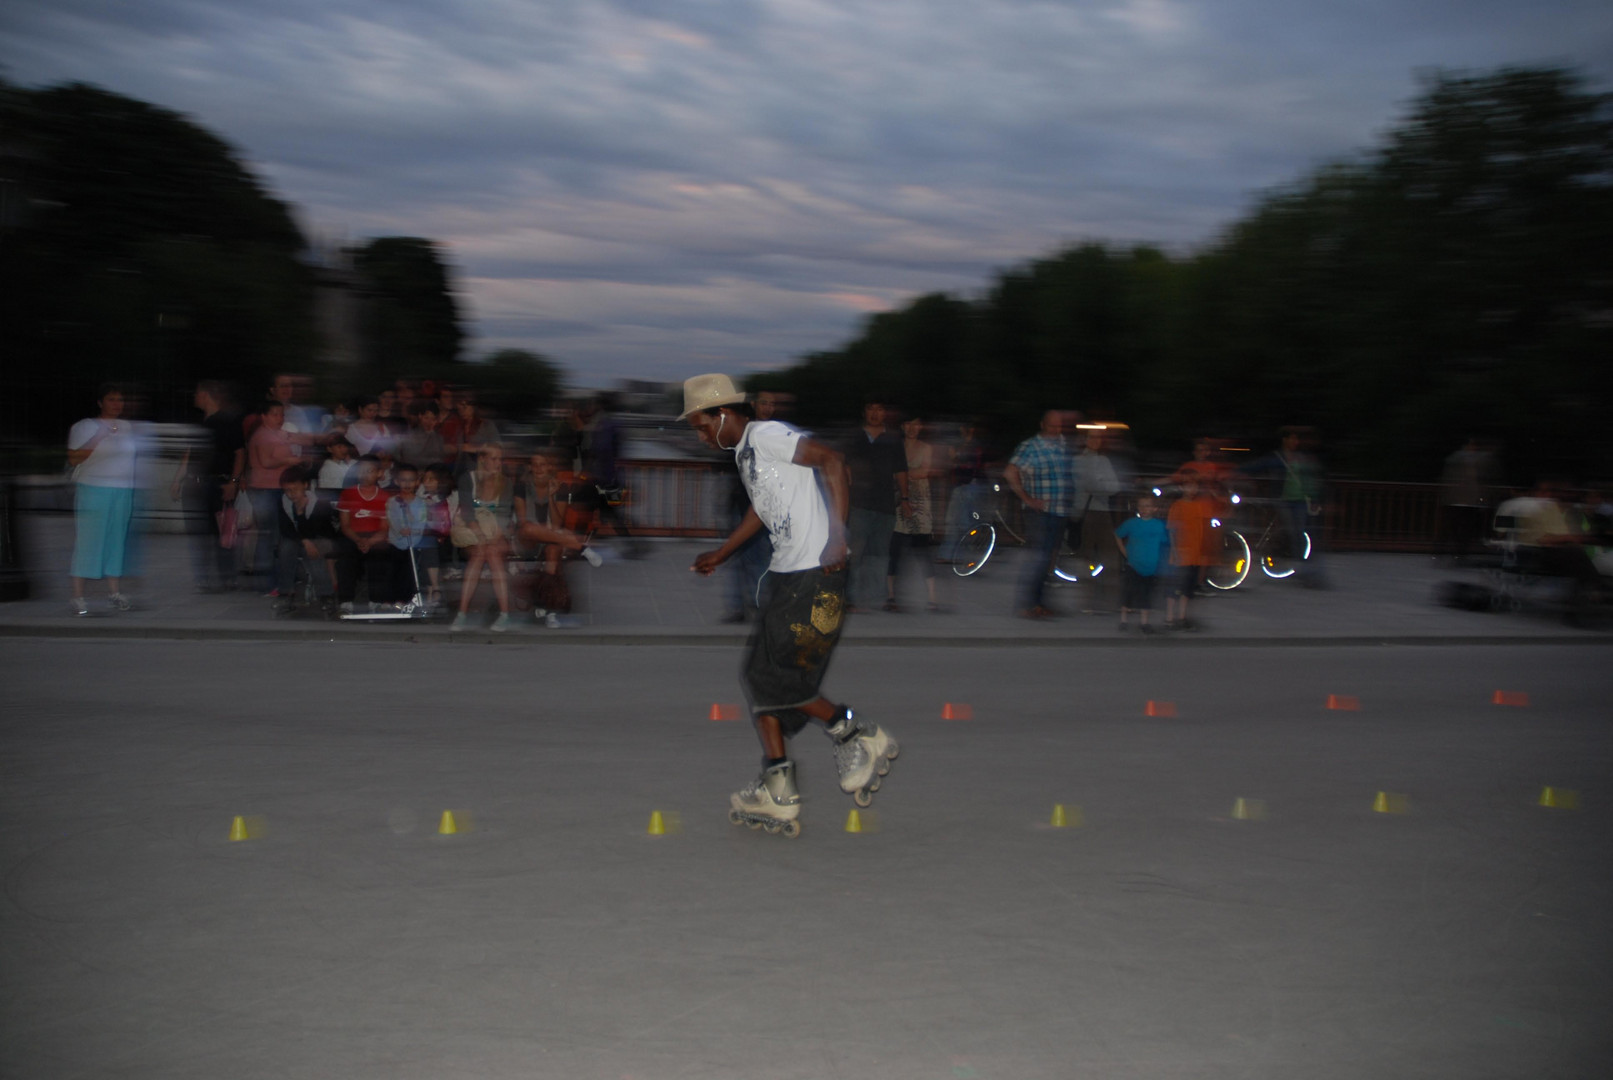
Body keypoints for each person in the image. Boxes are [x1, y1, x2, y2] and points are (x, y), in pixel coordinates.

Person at [682, 373, 899, 837]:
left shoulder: (768, 434)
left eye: (702, 426)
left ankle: (855, 732)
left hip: (815, 574)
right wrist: (721, 554)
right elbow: (762, 509)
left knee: (781, 680)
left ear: (723, 413)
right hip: (788, 576)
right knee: (760, 677)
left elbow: (833, 461)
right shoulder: (744, 452)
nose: (700, 436)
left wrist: (837, 536)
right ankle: (778, 785)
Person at [65, 383, 143, 615]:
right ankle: (78, 596)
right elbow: (73, 459)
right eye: (111, 400)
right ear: (100, 402)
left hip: (122, 489)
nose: (117, 404)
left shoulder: (127, 426)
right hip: (94, 488)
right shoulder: (84, 426)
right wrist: (99, 436)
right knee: (89, 540)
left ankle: (114, 592)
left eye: (120, 400)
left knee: (116, 540)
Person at [170, 380, 245, 593]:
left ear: (206, 395)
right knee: (201, 533)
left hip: (219, 483)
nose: (195, 397)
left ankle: (227, 578)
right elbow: (190, 453)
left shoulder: (227, 422)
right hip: (197, 483)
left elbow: (240, 453)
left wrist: (233, 482)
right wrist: (178, 479)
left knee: (224, 532)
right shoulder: (200, 422)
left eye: (197, 393)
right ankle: (204, 578)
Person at [1003, 410, 1075, 619]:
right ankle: (1027, 604)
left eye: (1059, 425)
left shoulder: (1064, 445)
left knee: (1050, 559)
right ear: (1042, 424)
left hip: (1060, 511)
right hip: (1040, 512)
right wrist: (1027, 499)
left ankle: (1041, 602)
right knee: (1039, 558)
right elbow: (1010, 472)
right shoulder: (1030, 446)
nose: (1056, 428)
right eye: (1052, 425)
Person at [513, 449, 599, 620]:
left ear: (549, 467)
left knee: (552, 550)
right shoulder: (521, 486)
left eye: (542, 465)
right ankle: (580, 547)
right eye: (535, 465)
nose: (538, 469)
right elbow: (523, 523)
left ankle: (547, 605)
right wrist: (548, 530)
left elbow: (558, 523)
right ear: (530, 467)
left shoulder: (560, 487)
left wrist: (552, 497)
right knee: (529, 528)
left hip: (552, 537)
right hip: (526, 540)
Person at [843, 399, 910, 610]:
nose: (875, 413)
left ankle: (873, 598)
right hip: (859, 503)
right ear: (865, 412)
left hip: (885, 504)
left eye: (879, 409)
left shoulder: (892, 439)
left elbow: (901, 470)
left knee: (880, 553)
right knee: (855, 552)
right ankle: (851, 598)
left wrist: (906, 499)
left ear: (885, 413)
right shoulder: (855, 436)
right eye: (871, 408)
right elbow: (843, 466)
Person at [450, 444, 515, 631]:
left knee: (493, 553)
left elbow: (504, 516)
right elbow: (468, 512)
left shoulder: (505, 482)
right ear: (482, 459)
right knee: (479, 552)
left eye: (499, 459)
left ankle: (504, 614)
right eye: (493, 459)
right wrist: (480, 536)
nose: (498, 463)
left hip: (496, 531)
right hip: (473, 530)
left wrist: (492, 539)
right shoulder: (468, 479)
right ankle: (462, 613)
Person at [245, 400, 303, 593]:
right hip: (265, 489)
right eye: (275, 414)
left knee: (277, 535)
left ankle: (280, 578)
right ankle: (269, 582)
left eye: (281, 414)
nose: (280, 418)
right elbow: (266, 462)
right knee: (270, 536)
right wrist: (288, 460)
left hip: (277, 488)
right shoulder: (262, 436)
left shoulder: (277, 434)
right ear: (264, 416)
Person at [887, 414, 942, 612]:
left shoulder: (926, 448)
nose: (911, 428)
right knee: (895, 550)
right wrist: (909, 473)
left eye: (916, 424)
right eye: (908, 424)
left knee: (923, 550)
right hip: (898, 502)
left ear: (921, 427)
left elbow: (925, 471)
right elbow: (891, 472)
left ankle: (932, 598)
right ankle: (891, 597)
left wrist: (902, 473)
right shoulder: (895, 446)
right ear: (902, 426)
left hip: (920, 503)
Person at [272, 465, 338, 616]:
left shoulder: (319, 502)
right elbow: (287, 529)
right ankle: (286, 594)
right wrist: (305, 541)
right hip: (298, 539)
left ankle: (326, 595)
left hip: (321, 538)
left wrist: (301, 514)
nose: (291, 494)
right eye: (287, 490)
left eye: (295, 489)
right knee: (286, 548)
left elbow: (318, 531)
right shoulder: (283, 502)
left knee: (314, 555)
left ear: (305, 485)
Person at [1072, 426, 1122, 612]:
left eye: (1098, 438)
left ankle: (1111, 600)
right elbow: (1089, 484)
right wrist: (1101, 483)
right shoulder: (1078, 461)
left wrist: (1099, 484)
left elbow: (1114, 486)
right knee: (1085, 557)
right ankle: (1086, 600)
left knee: (1110, 556)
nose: (1096, 441)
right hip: (1085, 512)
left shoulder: (1103, 460)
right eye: (1092, 437)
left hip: (1102, 511)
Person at [335, 455, 394, 613]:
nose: (365, 474)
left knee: (381, 553)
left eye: (370, 471)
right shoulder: (348, 494)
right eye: (361, 471)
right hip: (353, 535)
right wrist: (358, 540)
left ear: (379, 473)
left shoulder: (384, 497)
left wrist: (370, 542)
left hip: (376, 536)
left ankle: (377, 600)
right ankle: (346, 601)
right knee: (345, 556)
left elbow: (384, 528)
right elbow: (345, 525)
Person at [1165, 475, 1217, 630]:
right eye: (1188, 486)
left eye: (1194, 486)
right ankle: (1169, 618)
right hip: (1180, 555)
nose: (1191, 490)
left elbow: (1201, 531)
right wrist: (1175, 552)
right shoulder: (1177, 506)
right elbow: (1172, 531)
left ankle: (1181, 617)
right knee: (1174, 588)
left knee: (1187, 589)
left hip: (1194, 555)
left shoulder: (1199, 506)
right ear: (1181, 488)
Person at [1115, 494, 1170, 633]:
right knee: (1128, 592)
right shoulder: (1132, 523)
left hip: (1151, 566)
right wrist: (1124, 551)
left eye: (1148, 506)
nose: (1144, 509)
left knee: (1147, 594)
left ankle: (1144, 622)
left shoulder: (1159, 525)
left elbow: (1166, 543)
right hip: (1133, 564)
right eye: (1141, 506)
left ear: (1154, 508)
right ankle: (1124, 619)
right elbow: (1118, 534)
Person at [386, 463, 436, 610]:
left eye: (411, 480)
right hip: (396, 541)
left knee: (409, 571)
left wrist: (412, 530)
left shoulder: (422, 503)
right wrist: (399, 530)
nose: (407, 484)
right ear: (397, 482)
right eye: (403, 480)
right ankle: (391, 599)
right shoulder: (392, 501)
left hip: (413, 542)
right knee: (393, 570)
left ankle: (406, 600)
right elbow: (391, 519)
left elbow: (421, 522)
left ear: (417, 482)